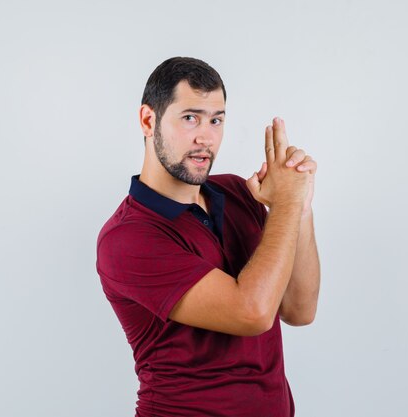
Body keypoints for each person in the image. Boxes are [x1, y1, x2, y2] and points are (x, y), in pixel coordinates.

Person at [96, 57, 320, 417]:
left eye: (216, 119)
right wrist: (285, 206)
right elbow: (253, 313)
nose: (206, 137)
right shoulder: (127, 238)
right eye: (190, 118)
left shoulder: (237, 192)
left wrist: (300, 205)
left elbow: (299, 309)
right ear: (148, 120)